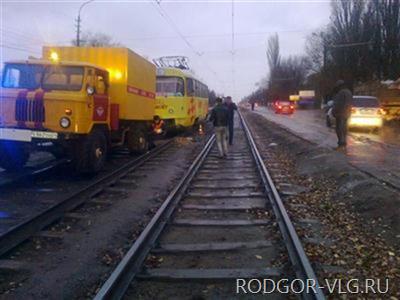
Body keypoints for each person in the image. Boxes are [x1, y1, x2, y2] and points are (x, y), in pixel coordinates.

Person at [332, 80, 352, 149]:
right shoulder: (349, 92)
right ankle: (344, 141)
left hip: (340, 113)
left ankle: (341, 142)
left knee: (339, 127)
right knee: (344, 127)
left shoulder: (341, 93)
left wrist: (334, 111)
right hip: (347, 113)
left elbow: (338, 104)